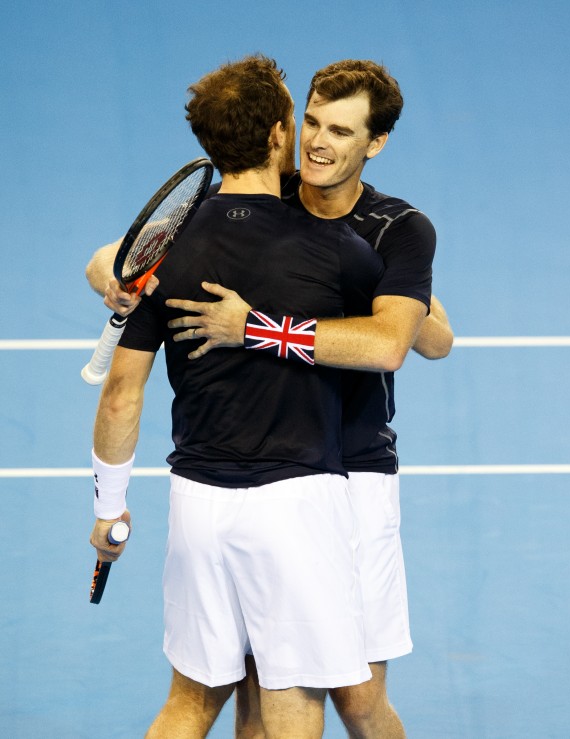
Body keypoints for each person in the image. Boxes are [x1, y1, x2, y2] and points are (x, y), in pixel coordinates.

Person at [87, 60, 453, 738]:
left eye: (340, 131)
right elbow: (114, 258)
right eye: (311, 122)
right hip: (288, 481)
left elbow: (420, 341)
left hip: (358, 470)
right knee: (266, 688)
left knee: (359, 698)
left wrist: (258, 327)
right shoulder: (272, 195)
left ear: (374, 144)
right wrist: (117, 278)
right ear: (288, 128)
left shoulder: (394, 229)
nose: (317, 143)